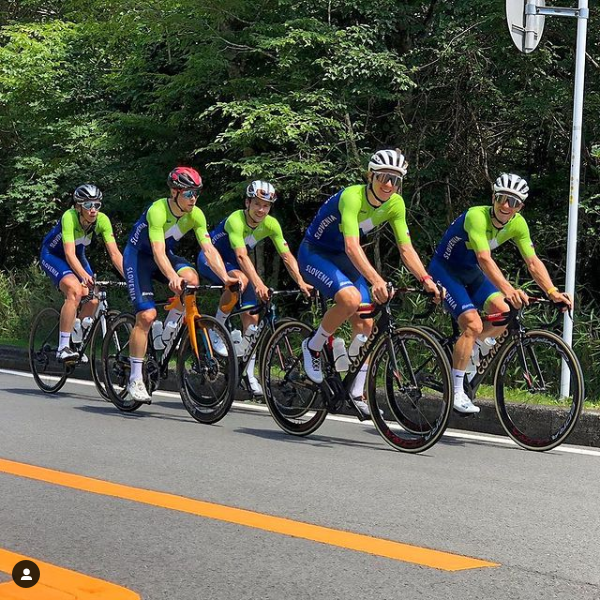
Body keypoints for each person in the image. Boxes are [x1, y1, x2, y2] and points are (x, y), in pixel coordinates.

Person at [297, 149, 441, 417]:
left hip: (341, 257)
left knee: (366, 323)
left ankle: (355, 389)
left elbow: (406, 248)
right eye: (383, 177)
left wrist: (426, 279)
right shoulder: (352, 197)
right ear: (370, 176)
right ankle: (313, 345)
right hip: (315, 253)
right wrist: (376, 279)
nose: (388, 185)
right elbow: (352, 247)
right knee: (350, 299)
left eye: (394, 180)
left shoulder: (395, 204)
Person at [429, 173, 572, 414]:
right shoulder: (477, 216)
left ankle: (467, 351)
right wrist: (509, 289)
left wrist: (552, 291)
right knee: (473, 325)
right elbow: (484, 258)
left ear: (520, 207)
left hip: (470, 272)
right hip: (445, 270)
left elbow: (533, 262)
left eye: (513, 202)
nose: (506, 205)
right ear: (493, 198)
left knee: (505, 312)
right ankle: (455, 391)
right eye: (502, 198)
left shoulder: (518, 224)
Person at [123, 166, 238, 402]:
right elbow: (157, 251)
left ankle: (166, 331)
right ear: (174, 192)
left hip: (166, 255)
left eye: (196, 193)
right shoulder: (158, 210)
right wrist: (172, 277)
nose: (193, 198)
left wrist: (226, 278)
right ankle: (135, 377)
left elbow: (209, 249)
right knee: (146, 316)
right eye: (188, 193)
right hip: (139, 257)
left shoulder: (196, 215)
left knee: (193, 279)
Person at [197, 180, 312, 396]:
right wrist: (259, 283)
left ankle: (248, 374)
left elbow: (286, 256)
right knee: (241, 280)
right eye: (257, 204)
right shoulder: (236, 220)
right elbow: (241, 255)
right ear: (248, 202)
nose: (261, 210)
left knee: (252, 321)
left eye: (266, 206)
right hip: (212, 258)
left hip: (237, 264)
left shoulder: (271, 224)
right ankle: (217, 328)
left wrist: (301, 282)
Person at [40, 184, 124, 361]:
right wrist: (84, 277)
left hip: (78, 256)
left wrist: (131, 277)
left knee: (94, 298)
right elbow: (69, 255)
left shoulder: (102, 221)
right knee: (75, 290)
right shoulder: (69, 217)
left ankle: (75, 341)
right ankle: (62, 347)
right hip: (54, 256)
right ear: (78, 207)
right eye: (88, 205)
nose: (93, 210)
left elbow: (115, 254)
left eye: (97, 205)